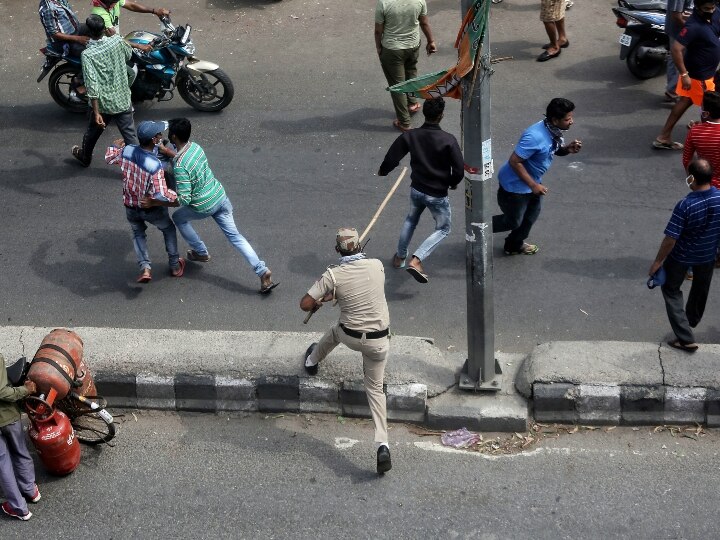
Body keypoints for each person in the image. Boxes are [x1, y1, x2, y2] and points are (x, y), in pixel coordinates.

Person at [141, 118, 278, 294]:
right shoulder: (196, 148)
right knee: (236, 237)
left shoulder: (181, 166)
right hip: (220, 197)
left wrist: (155, 201)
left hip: (204, 205)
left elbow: (183, 199)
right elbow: (182, 159)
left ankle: (200, 251)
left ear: (173, 136)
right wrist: (167, 151)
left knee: (178, 217)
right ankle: (262, 270)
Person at [300, 228, 392, 475]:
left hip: (350, 336)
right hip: (378, 341)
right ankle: (382, 443)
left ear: (337, 250)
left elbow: (305, 304)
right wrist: (334, 293)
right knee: (375, 389)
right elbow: (361, 287)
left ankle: (311, 360)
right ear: (361, 246)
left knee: (333, 333)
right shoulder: (377, 266)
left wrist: (325, 297)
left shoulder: (333, 274)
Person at [377, 97, 463, 284]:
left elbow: (392, 157)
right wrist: (452, 182)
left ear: (424, 113)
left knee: (410, 220)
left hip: (417, 189)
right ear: (441, 116)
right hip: (437, 195)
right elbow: (458, 170)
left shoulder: (410, 135)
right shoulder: (448, 140)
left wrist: (383, 171)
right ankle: (416, 260)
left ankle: (400, 257)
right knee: (443, 228)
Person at [492, 98, 582, 255]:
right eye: (568, 119)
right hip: (514, 188)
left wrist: (567, 149)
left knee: (529, 219)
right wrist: (533, 185)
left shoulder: (552, 130)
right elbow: (514, 161)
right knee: (513, 221)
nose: (572, 122)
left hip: (533, 185)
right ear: (555, 119)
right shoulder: (534, 136)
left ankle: (513, 245)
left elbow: (554, 149)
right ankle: (479, 227)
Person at [648, 159, 720, 352]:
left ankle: (685, 337)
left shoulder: (686, 205)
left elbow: (671, 239)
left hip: (681, 257)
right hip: (707, 256)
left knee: (671, 290)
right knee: (700, 289)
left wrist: (657, 262)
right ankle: (691, 321)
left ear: (692, 178)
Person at [105, 120, 184, 283]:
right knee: (168, 229)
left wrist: (114, 146)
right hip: (150, 207)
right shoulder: (154, 165)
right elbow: (161, 193)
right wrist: (178, 197)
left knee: (138, 233)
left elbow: (110, 158)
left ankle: (145, 267)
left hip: (130, 205)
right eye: (159, 134)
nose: (161, 136)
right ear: (154, 140)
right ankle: (175, 265)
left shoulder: (127, 150)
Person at [71, 14, 138, 167]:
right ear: (104, 29)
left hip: (103, 105)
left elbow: (92, 85)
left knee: (92, 134)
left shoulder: (87, 55)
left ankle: (85, 157)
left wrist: (96, 112)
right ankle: (140, 169)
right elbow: (128, 55)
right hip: (123, 99)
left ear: (88, 32)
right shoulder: (117, 41)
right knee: (130, 137)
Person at [653, 0, 720, 150]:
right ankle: (707, 140)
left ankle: (664, 136)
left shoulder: (715, 14)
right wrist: (684, 74)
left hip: (707, 72)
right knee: (711, 104)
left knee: (686, 101)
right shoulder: (693, 26)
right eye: (706, 8)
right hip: (700, 75)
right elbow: (676, 49)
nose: (710, 11)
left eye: (712, 7)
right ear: (697, 7)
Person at [374, 0, 436, 132]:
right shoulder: (419, 1)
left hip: (392, 49)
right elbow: (424, 23)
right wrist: (431, 41)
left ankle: (404, 122)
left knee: (397, 85)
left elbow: (378, 31)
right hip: (413, 46)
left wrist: (378, 47)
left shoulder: (384, 3)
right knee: (411, 73)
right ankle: (412, 103)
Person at [0, 354, 40, 521]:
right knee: (20, 451)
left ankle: (19, 508)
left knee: (3, 464)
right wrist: (26, 390)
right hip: (8, 415)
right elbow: (2, 391)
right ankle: (30, 490)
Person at [683, 91, 720, 189]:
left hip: (706, 187)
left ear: (706, 113)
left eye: (701, 108)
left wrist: (692, 183)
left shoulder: (694, 131)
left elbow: (687, 160)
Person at [664, 0, 694, 103]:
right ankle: (672, 90)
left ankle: (672, 90)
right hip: (679, 31)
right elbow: (676, 16)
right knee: (678, 59)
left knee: (675, 58)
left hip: (684, 28)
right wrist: (690, 30)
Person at [91, 0, 169, 36]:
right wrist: (139, 46)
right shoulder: (100, 13)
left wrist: (154, 11)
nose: (117, 3)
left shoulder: (113, 1)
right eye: (115, 3)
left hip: (116, 38)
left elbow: (131, 5)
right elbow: (114, 38)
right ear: (108, 3)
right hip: (108, 45)